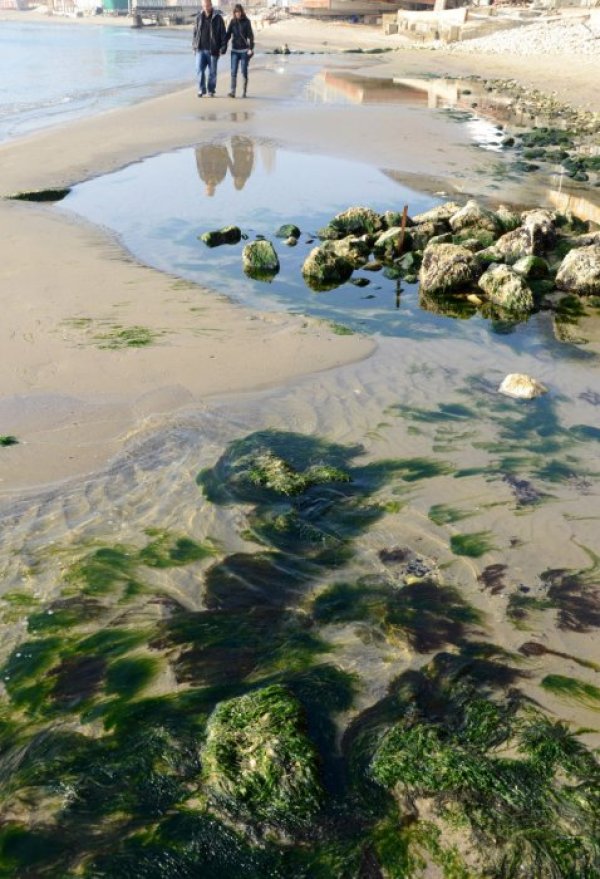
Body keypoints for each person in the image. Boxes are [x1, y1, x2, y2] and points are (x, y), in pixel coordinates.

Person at [192, 0, 227, 98]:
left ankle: (211, 90)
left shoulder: (218, 18)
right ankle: (201, 89)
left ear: (211, 5)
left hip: (213, 50)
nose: (206, 8)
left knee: (212, 72)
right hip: (200, 49)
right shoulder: (198, 17)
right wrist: (194, 46)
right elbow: (195, 33)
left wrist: (223, 48)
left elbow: (223, 34)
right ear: (202, 6)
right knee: (199, 69)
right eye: (204, 6)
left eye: (207, 6)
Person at [225, 3, 254, 99]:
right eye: (236, 12)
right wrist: (222, 44)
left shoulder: (247, 22)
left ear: (242, 12)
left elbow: (250, 36)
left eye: (239, 11)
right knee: (233, 71)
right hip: (234, 50)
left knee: (244, 71)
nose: (238, 13)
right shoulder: (232, 22)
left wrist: (251, 48)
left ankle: (244, 92)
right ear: (234, 13)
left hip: (244, 51)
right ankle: (232, 92)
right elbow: (228, 34)